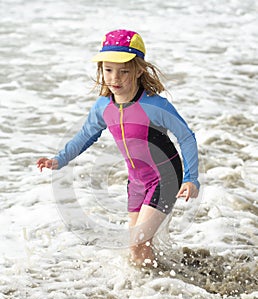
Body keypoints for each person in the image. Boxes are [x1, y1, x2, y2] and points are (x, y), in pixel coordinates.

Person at [37, 29, 200, 267]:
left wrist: (191, 179)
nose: (115, 78)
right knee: (137, 251)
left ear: (139, 70)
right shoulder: (103, 106)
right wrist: (59, 160)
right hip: (136, 182)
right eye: (108, 70)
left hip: (166, 178)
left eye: (124, 71)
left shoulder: (155, 105)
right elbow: (85, 135)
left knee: (136, 243)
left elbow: (186, 137)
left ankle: (161, 290)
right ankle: (157, 289)